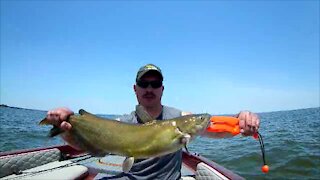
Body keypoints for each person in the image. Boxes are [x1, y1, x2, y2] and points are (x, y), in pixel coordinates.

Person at [46, 64, 260, 180]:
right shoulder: (123, 123)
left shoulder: (179, 116)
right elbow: (96, 150)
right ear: (135, 88)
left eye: (155, 83)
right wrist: (65, 128)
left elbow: (214, 129)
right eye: (144, 83)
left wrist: (240, 120)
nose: (149, 88)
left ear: (162, 89)